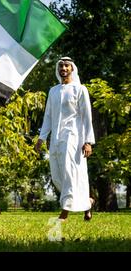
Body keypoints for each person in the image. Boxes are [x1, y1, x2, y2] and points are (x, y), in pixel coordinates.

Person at [34, 57, 95, 221]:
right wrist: (41, 138)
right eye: (61, 65)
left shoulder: (80, 89)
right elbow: (48, 116)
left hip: (73, 137)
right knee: (57, 176)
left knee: (69, 173)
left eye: (67, 65)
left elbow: (87, 117)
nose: (64, 68)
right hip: (56, 138)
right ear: (58, 69)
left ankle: (64, 213)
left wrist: (88, 141)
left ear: (72, 68)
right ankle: (87, 202)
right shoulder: (53, 91)